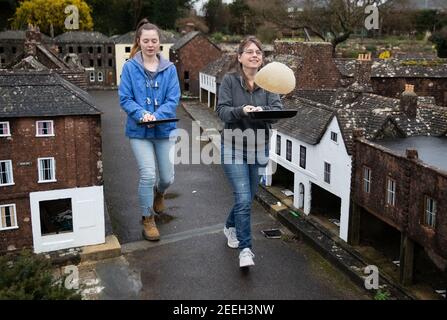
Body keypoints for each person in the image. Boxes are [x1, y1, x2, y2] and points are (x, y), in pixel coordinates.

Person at [216, 36, 283, 268]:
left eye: (258, 52)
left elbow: (277, 111)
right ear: (239, 57)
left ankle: (229, 227)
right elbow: (222, 112)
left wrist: (260, 110)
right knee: (243, 198)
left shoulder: (269, 83)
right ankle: (246, 249)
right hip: (232, 147)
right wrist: (242, 110)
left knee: (248, 197)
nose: (255, 55)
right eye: (250, 52)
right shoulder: (229, 81)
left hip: (259, 147)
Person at [118, 19, 180, 241]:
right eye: (146, 40)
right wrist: (142, 114)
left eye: (154, 40)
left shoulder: (170, 69)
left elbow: (173, 99)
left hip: (163, 129)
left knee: (166, 177)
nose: (150, 44)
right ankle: (147, 218)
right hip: (139, 131)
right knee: (147, 174)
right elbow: (125, 98)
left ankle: (160, 193)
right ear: (139, 42)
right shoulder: (129, 67)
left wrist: (157, 116)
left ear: (159, 43)